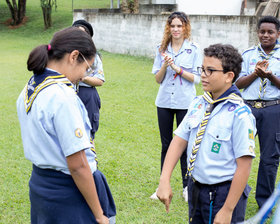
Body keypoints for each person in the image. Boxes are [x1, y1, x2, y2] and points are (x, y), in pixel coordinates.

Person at [16, 27, 116, 224]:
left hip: (41, 187)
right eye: (87, 68)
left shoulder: (29, 87)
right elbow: (78, 165)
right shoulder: (62, 96)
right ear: (74, 56)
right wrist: (98, 214)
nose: (84, 76)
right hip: (68, 193)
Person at [157, 44, 256, 224]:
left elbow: (244, 165)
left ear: (229, 76)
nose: (203, 74)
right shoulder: (198, 103)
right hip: (196, 187)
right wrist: (164, 179)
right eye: (202, 69)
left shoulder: (240, 114)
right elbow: (179, 140)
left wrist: (227, 209)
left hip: (223, 194)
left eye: (210, 70)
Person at [151, 11, 202, 201]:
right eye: (173, 26)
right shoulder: (161, 48)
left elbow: (196, 78)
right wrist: (165, 65)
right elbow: (157, 79)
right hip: (164, 102)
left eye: (179, 26)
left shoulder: (194, 49)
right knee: (166, 145)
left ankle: (187, 186)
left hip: (185, 103)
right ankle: (163, 185)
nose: (176, 29)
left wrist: (177, 69)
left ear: (185, 27)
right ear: (168, 27)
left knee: (184, 145)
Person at [235, 16, 280, 209]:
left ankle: (264, 203)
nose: (266, 35)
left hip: (273, 110)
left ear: (278, 34)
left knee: (270, 158)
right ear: (257, 33)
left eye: (270, 32)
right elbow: (236, 84)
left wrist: (270, 76)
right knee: (239, 153)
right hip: (248, 108)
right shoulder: (248, 54)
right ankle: (236, 197)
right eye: (262, 31)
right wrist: (255, 74)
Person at [72, 19, 105, 141]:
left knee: (88, 134)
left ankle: (89, 160)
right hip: (68, 94)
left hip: (87, 96)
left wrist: (83, 78)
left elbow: (100, 81)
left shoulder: (93, 57)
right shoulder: (64, 54)